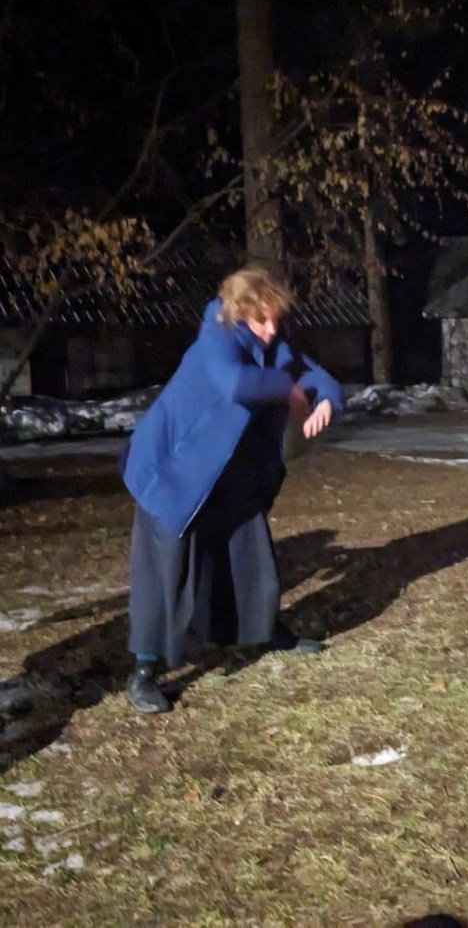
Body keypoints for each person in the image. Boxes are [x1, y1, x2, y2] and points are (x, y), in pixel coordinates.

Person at [120, 265, 344, 712]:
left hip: (229, 475)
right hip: (173, 473)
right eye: (262, 319)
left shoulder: (272, 343)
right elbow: (235, 383)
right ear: (240, 313)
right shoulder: (216, 336)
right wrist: (289, 390)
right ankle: (143, 669)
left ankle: (263, 631)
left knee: (247, 553)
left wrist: (326, 399)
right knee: (165, 571)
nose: (271, 329)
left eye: (276, 319)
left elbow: (316, 375)